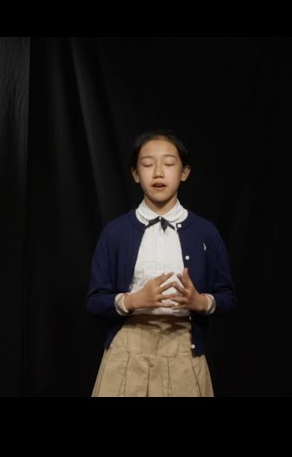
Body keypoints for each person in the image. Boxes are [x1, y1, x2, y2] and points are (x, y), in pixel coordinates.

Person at [86, 130, 237, 397]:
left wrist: (201, 302)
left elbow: (228, 297)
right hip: (127, 350)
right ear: (135, 174)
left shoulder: (205, 233)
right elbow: (95, 300)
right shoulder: (115, 232)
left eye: (168, 163)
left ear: (184, 172)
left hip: (183, 350)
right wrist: (133, 300)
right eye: (147, 164)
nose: (158, 172)